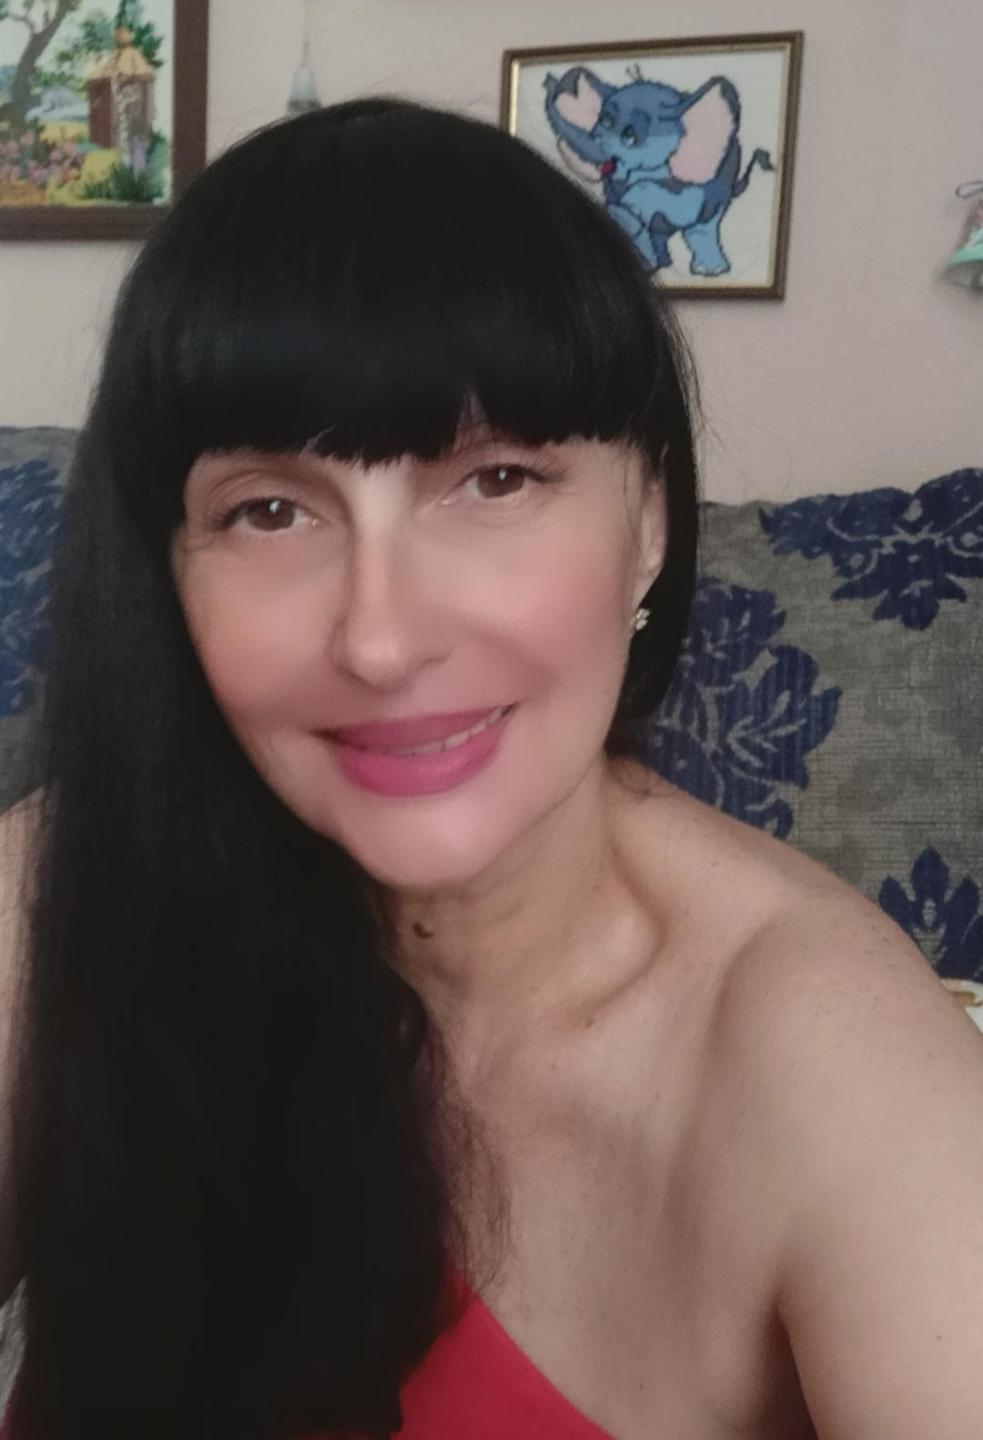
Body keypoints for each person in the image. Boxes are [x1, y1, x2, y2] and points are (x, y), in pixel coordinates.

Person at [1, 97, 982, 1440]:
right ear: (167, 566)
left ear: (650, 522)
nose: (381, 639)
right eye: (270, 510)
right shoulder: (68, 894)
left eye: (497, 481)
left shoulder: (839, 1068)